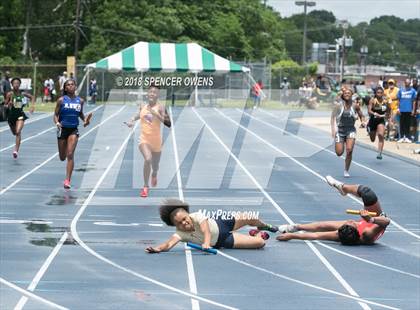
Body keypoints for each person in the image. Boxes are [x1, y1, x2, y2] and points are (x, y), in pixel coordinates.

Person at [276, 176, 390, 245]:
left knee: (323, 225)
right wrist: (371, 219)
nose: (351, 220)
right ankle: (343, 187)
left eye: (349, 222)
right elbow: (386, 221)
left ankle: (295, 226)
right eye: (353, 223)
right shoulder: (367, 234)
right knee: (367, 193)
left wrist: (292, 235)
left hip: (365, 223)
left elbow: (316, 235)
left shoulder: (341, 235)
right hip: (378, 219)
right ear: (357, 230)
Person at [145, 199, 278, 253]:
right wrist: (157, 249)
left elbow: (206, 230)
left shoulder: (197, 216)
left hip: (221, 223)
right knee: (260, 243)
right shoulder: (181, 234)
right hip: (223, 240)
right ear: (174, 225)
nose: (184, 223)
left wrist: (206, 243)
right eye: (179, 223)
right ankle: (258, 234)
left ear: (188, 214)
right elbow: (168, 244)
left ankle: (263, 226)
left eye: (184, 218)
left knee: (250, 217)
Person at [126, 85, 171, 198]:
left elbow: (168, 124)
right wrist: (132, 119)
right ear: (147, 94)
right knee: (148, 159)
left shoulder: (161, 107)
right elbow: (139, 115)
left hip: (156, 142)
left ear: (157, 95)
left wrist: (156, 114)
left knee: (155, 166)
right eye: (150, 92)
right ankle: (145, 186)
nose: (152, 94)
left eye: (155, 92)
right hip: (144, 140)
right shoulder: (143, 106)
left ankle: (154, 174)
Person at [54, 79, 92, 189]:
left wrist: (85, 120)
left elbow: (80, 113)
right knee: (62, 157)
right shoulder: (61, 100)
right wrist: (57, 122)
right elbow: (55, 114)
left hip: (73, 130)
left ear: (75, 87)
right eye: (68, 85)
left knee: (70, 154)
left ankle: (67, 180)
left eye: (72, 84)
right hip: (62, 129)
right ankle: (65, 150)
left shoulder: (80, 101)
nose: (71, 86)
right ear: (65, 88)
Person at [330, 87, 365, 177]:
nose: (347, 94)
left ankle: (346, 170)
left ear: (352, 95)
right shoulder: (338, 106)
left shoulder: (355, 106)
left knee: (349, 150)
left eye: (349, 93)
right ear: (343, 95)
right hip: (340, 130)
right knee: (339, 153)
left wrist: (363, 122)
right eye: (345, 93)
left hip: (350, 130)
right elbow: (332, 117)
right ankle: (340, 145)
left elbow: (362, 115)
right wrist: (333, 130)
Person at [4, 77, 35, 158]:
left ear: (20, 85)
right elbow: (4, 105)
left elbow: (32, 97)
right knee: (14, 133)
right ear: (12, 85)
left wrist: (32, 106)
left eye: (18, 83)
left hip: (20, 115)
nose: (16, 85)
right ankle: (16, 144)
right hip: (11, 117)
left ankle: (15, 151)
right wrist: (8, 105)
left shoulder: (23, 94)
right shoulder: (9, 94)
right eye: (14, 83)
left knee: (18, 132)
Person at [367, 87, 391, 159]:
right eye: (378, 93)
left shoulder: (385, 101)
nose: (379, 94)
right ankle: (368, 129)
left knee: (381, 135)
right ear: (376, 93)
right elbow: (369, 111)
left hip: (381, 120)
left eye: (381, 93)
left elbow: (389, 110)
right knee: (372, 139)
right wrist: (374, 114)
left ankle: (379, 153)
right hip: (373, 120)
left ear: (383, 93)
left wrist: (387, 115)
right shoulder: (373, 100)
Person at [397, 79, 417, 143]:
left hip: (409, 110)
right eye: (406, 82)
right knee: (402, 124)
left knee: (408, 124)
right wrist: (398, 108)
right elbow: (398, 100)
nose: (407, 83)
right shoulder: (400, 90)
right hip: (402, 109)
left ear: (410, 83)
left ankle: (407, 137)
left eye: (408, 83)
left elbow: (414, 101)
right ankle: (402, 137)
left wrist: (413, 110)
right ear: (404, 83)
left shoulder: (413, 91)